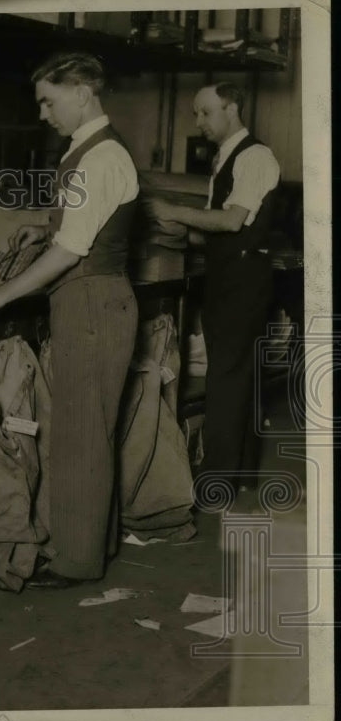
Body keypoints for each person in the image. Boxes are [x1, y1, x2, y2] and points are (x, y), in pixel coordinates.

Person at [0, 53, 139, 589]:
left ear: (82, 92)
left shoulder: (100, 158)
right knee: (90, 432)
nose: (42, 112)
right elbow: (76, 231)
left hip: (93, 304)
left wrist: (0, 297)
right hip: (90, 300)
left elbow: (71, 250)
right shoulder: (86, 151)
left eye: (48, 100)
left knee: (83, 435)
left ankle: (77, 564)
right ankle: (91, 548)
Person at [147, 82, 279, 495]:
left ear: (232, 107)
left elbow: (231, 221)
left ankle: (219, 481)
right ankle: (238, 476)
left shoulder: (255, 156)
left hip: (243, 281)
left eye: (205, 112)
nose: (198, 122)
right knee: (234, 375)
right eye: (195, 113)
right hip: (228, 278)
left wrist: (172, 211)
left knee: (227, 377)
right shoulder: (226, 157)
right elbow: (215, 230)